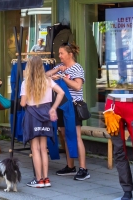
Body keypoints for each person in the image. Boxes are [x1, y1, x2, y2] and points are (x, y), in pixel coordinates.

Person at [47, 43, 89, 181]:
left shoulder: (77, 68)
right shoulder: (60, 67)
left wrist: (63, 78)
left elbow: (77, 86)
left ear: (70, 54)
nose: (59, 56)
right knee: (65, 135)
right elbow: (45, 76)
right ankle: (70, 166)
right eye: (59, 53)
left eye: (62, 53)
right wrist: (57, 70)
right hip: (62, 105)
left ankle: (83, 168)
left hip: (74, 106)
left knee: (76, 136)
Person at [22, 56, 65, 188]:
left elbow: (23, 103)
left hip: (32, 116)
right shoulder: (47, 80)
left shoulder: (26, 83)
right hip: (46, 114)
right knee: (43, 148)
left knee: (35, 148)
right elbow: (61, 93)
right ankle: (46, 179)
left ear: (29, 67)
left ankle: (38, 179)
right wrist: (53, 108)